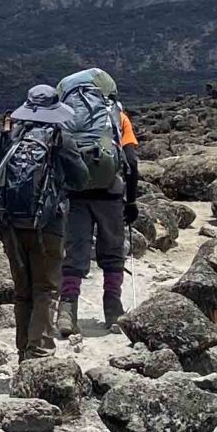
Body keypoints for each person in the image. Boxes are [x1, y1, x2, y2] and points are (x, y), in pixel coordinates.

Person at [0, 83, 86, 361]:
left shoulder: (7, 135)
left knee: (22, 289)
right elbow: (81, 178)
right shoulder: (60, 138)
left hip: (11, 224)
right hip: (48, 225)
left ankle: (23, 350)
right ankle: (39, 352)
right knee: (47, 288)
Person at [55, 67, 140, 337]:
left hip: (75, 194)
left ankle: (67, 311)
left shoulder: (66, 116)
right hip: (110, 194)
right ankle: (113, 309)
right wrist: (131, 201)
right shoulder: (117, 117)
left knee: (74, 252)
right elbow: (132, 163)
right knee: (113, 252)